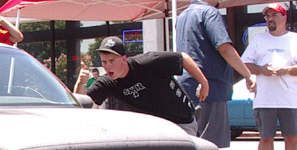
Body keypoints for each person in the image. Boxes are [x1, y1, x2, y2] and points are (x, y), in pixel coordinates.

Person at [176, 0, 256, 147]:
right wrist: (248, 75)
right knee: (209, 146)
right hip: (209, 87)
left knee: (192, 143)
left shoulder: (182, 16)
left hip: (186, 86)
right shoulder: (210, 13)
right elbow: (224, 48)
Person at [72, 36, 208, 135]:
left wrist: (204, 83)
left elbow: (183, 58)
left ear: (124, 59)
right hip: (154, 128)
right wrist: (81, 83)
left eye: (112, 61)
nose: (107, 67)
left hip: (181, 122)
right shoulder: (108, 82)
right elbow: (80, 104)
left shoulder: (147, 62)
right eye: (104, 62)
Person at [241, 3, 297, 150]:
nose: (270, 19)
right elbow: (245, 63)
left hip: (290, 100)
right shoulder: (259, 40)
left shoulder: (296, 39)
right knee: (265, 138)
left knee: (292, 138)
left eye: (274, 15)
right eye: (267, 16)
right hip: (264, 99)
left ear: (284, 17)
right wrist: (261, 70)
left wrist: (286, 70)